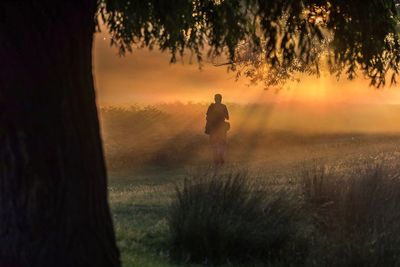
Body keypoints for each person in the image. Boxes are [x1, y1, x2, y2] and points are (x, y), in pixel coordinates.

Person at [205, 94, 230, 165]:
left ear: (215, 99)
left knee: (214, 144)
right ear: (221, 99)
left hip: (213, 128)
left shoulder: (211, 106)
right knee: (222, 143)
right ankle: (220, 156)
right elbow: (227, 117)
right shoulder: (223, 107)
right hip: (222, 128)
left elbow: (207, 117)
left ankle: (216, 159)